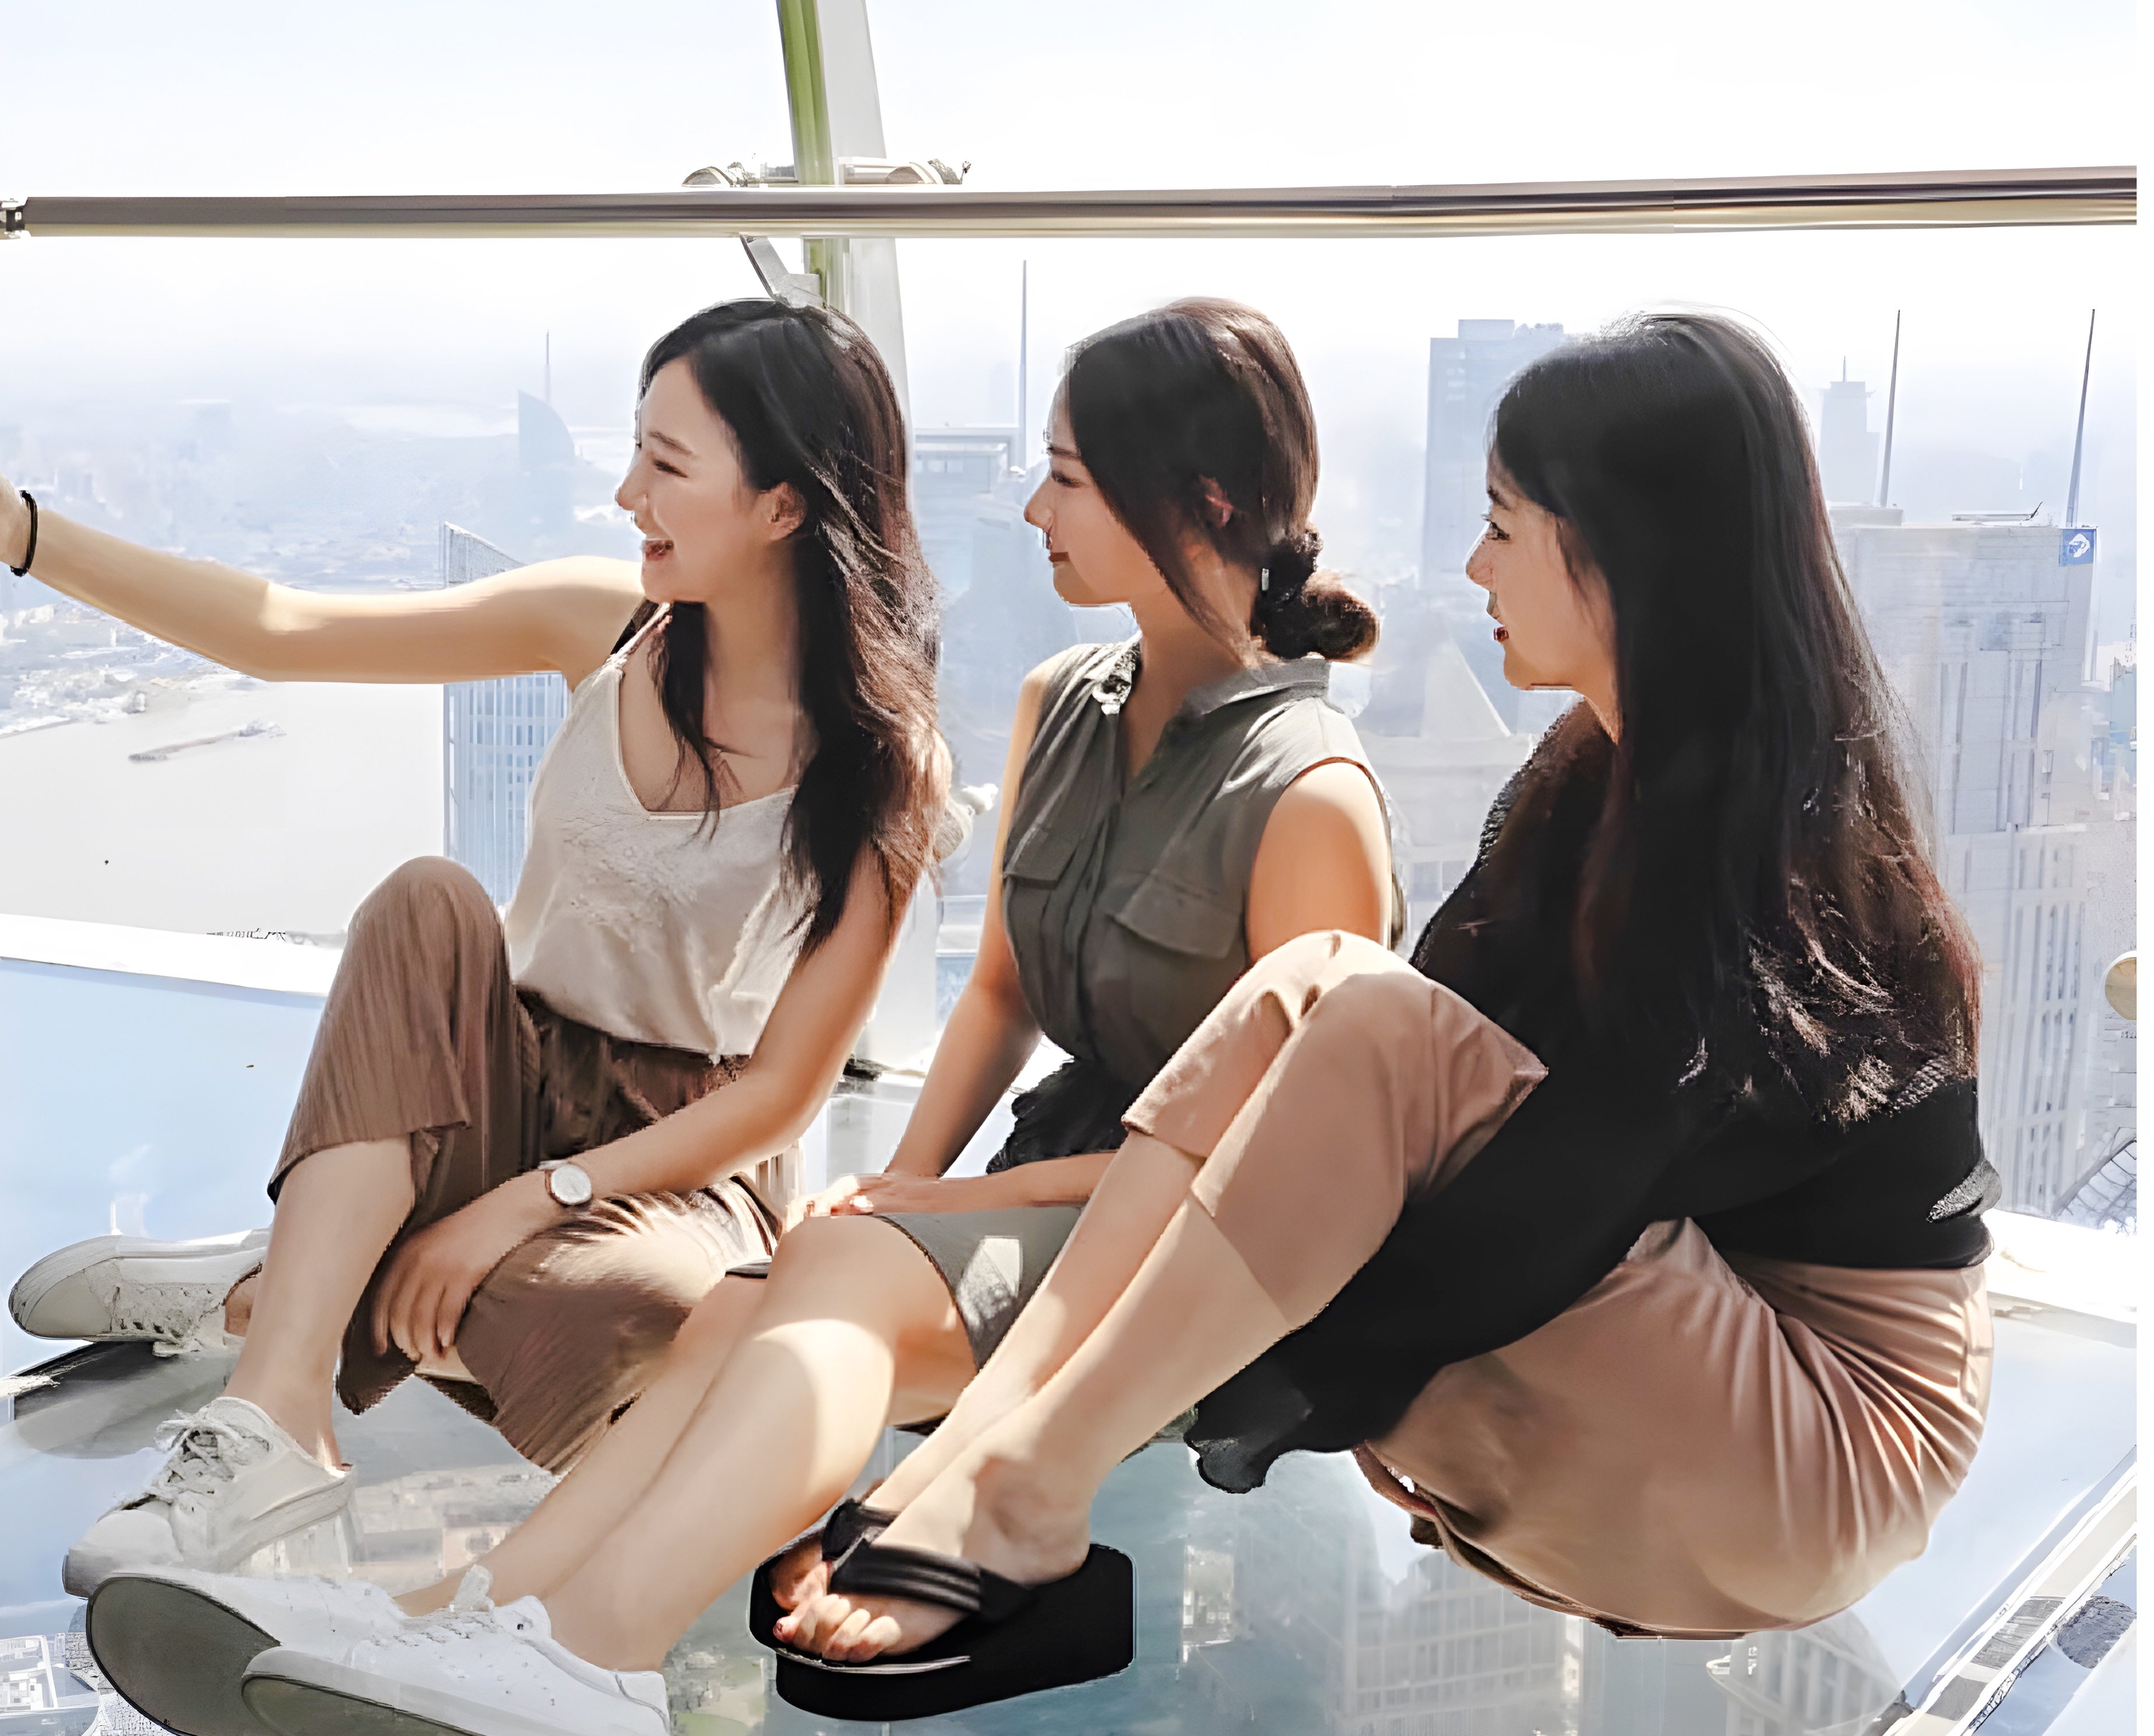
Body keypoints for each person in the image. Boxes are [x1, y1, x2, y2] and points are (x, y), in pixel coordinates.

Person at [98, 298, 1402, 1736]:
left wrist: (934, 1203)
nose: (1033, 505)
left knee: (794, 1293)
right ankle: (484, 1626)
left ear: (1201, 501)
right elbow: (997, 993)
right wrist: (914, 1180)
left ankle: (580, 1636)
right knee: (757, 1295)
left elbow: (1281, 1161)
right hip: (1027, 1191)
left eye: (1070, 478)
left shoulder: (1310, 795)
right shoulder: (1066, 702)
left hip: (1184, 1242)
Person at [754, 308, 1995, 1690]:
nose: (1474, 565)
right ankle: (994, 1452)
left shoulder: (1769, 835)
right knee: (1311, 990)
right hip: (1667, 1366)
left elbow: (1556, 1194)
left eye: (1506, 525)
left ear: (1627, 554)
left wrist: (1304, 1391)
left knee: (1352, 1004)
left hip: (1819, 1445)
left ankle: (1034, 1485)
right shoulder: (1594, 778)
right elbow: (1367, 1079)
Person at [0, 299, 948, 1598]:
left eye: (668, 466)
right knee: (425, 899)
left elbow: (784, 1097)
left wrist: (540, 1200)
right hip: (483, 1081)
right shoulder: (608, 626)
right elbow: (285, 632)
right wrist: (19, 530)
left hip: (677, 1161)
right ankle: (279, 1405)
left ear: (786, 505)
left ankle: (283, 1273)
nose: (628, 493)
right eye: (634, 451)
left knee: (634, 1320)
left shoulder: (882, 766)